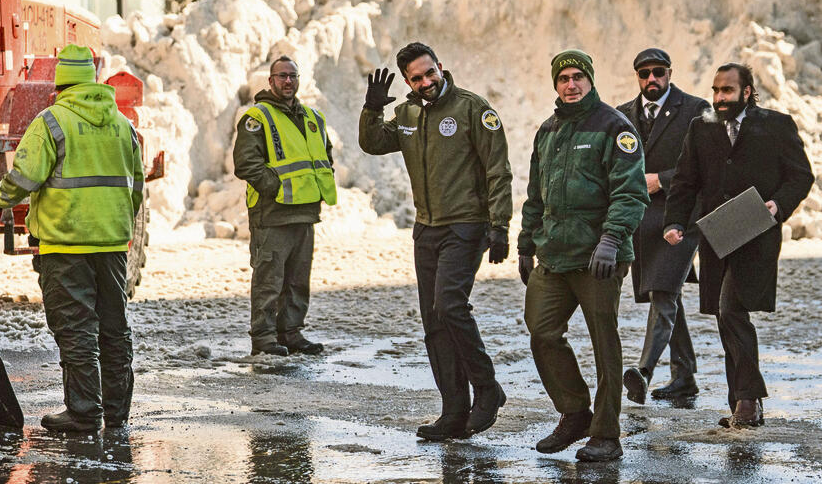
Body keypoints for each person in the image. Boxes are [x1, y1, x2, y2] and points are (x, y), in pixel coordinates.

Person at [0, 44, 143, 432]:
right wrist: (110, 223)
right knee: (114, 328)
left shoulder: (52, 122)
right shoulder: (123, 125)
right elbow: (135, 187)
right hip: (111, 245)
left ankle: (85, 412)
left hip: (65, 245)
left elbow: (24, 177)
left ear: (59, 85)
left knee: (75, 329)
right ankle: (117, 413)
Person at [359, 42, 512, 441]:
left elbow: (498, 170)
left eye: (430, 73)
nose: (426, 82)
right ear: (408, 81)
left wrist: (499, 226)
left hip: (466, 225)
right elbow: (373, 142)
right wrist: (372, 108)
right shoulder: (407, 113)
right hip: (426, 228)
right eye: (417, 78)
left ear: (440, 67)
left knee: (450, 305)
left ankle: (488, 388)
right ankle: (453, 411)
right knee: (433, 321)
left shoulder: (472, 109)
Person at [664, 63, 813, 428]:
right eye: (716, 90)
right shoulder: (700, 128)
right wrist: (673, 221)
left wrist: (777, 205)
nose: (719, 98)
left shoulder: (777, 125)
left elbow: (801, 175)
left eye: (727, 91)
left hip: (758, 235)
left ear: (747, 91)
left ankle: (747, 401)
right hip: (716, 236)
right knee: (725, 315)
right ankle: (741, 403)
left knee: (731, 309)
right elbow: (685, 181)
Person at [518, 49, 649, 462]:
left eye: (577, 77)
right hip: (554, 256)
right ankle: (575, 412)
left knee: (604, 344)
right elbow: (535, 195)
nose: (570, 84)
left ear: (590, 80)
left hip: (599, 259)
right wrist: (525, 243)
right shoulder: (548, 130)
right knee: (542, 331)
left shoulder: (615, 127)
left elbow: (631, 191)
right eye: (563, 79)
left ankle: (606, 435)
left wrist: (611, 239)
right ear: (555, 84)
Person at [616, 48, 710, 404]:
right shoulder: (623, 114)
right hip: (642, 219)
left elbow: (707, 166)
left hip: (682, 215)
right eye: (644, 74)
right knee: (665, 290)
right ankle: (684, 377)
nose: (651, 79)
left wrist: (663, 179)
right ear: (637, 77)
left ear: (670, 72)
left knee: (664, 291)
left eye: (658, 72)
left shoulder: (696, 109)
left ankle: (643, 370)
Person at [233, 55, 335, 356]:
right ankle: (264, 339)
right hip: (273, 213)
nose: (287, 81)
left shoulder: (314, 119)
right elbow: (246, 164)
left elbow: (325, 158)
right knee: (269, 280)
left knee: (297, 281)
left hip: (305, 213)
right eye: (281, 76)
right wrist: (275, 188)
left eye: (292, 75)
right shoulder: (257, 117)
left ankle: (291, 333)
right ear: (271, 81)